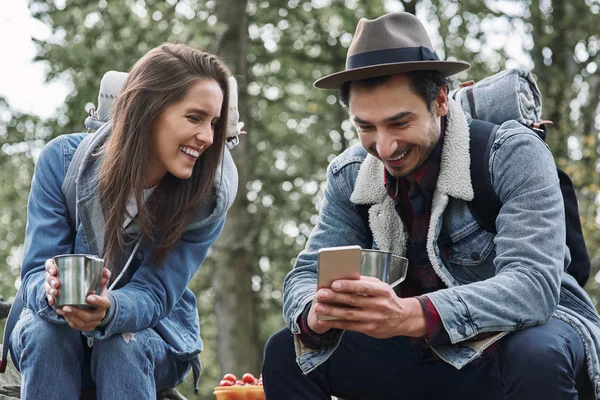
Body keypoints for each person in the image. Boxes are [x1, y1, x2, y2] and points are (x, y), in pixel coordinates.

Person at [262, 12, 600, 399]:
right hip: (421, 354)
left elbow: (533, 287)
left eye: (399, 123)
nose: (385, 147)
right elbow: (306, 273)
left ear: (440, 100)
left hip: (516, 341)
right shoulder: (349, 175)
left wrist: (414, 314)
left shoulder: (510, 154)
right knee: (286, 352)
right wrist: (315, 312)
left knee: (536, 354)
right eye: (366, 127)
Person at [9, 43, 238, 399]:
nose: (208, 138)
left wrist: (110, 310)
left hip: (151, 337)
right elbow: (35, 274)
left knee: (120, 344)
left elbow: (156, 291)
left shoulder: (208, 198)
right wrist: (51, 291)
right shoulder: (61, 162)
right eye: (195, 118)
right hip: (54, 333)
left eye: (214, 123)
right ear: (147, 110)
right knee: (45, 333)